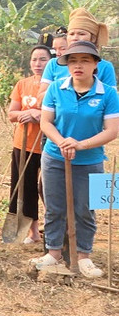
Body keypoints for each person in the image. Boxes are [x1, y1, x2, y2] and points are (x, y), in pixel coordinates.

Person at [30, 41, 119, 278]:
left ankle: (84, 257)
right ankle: (53, 253)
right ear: (67, 65)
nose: (78, 66)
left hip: (91, 159)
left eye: (85, 61)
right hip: (54, 156)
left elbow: (112, 130)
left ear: (95, 64)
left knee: (86, 209)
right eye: (73, 61)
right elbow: (46, 122)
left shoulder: (108, 93)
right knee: (54, 207)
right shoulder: (56, 88)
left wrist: (81, 145)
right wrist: (62, 142)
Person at [7, 45, 52, 243]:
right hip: (23, 144)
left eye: (43, 59)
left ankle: (53, 227)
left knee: (47, 188)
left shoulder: (56, 85)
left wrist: (39, 114)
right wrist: (26, 114)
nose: (38, 64)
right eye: (34, 59)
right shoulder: (22, 84)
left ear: (51, 62)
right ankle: (32, 231)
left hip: (49, 144)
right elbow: (12, 114)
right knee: (25, 188)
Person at [38, 8, 115, 100]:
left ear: (93, 38)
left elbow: (111, 99)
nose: (75, 38)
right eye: (71, 34)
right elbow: (40, 99)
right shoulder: (53, 64)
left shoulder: (105, 67)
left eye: (81, 34)